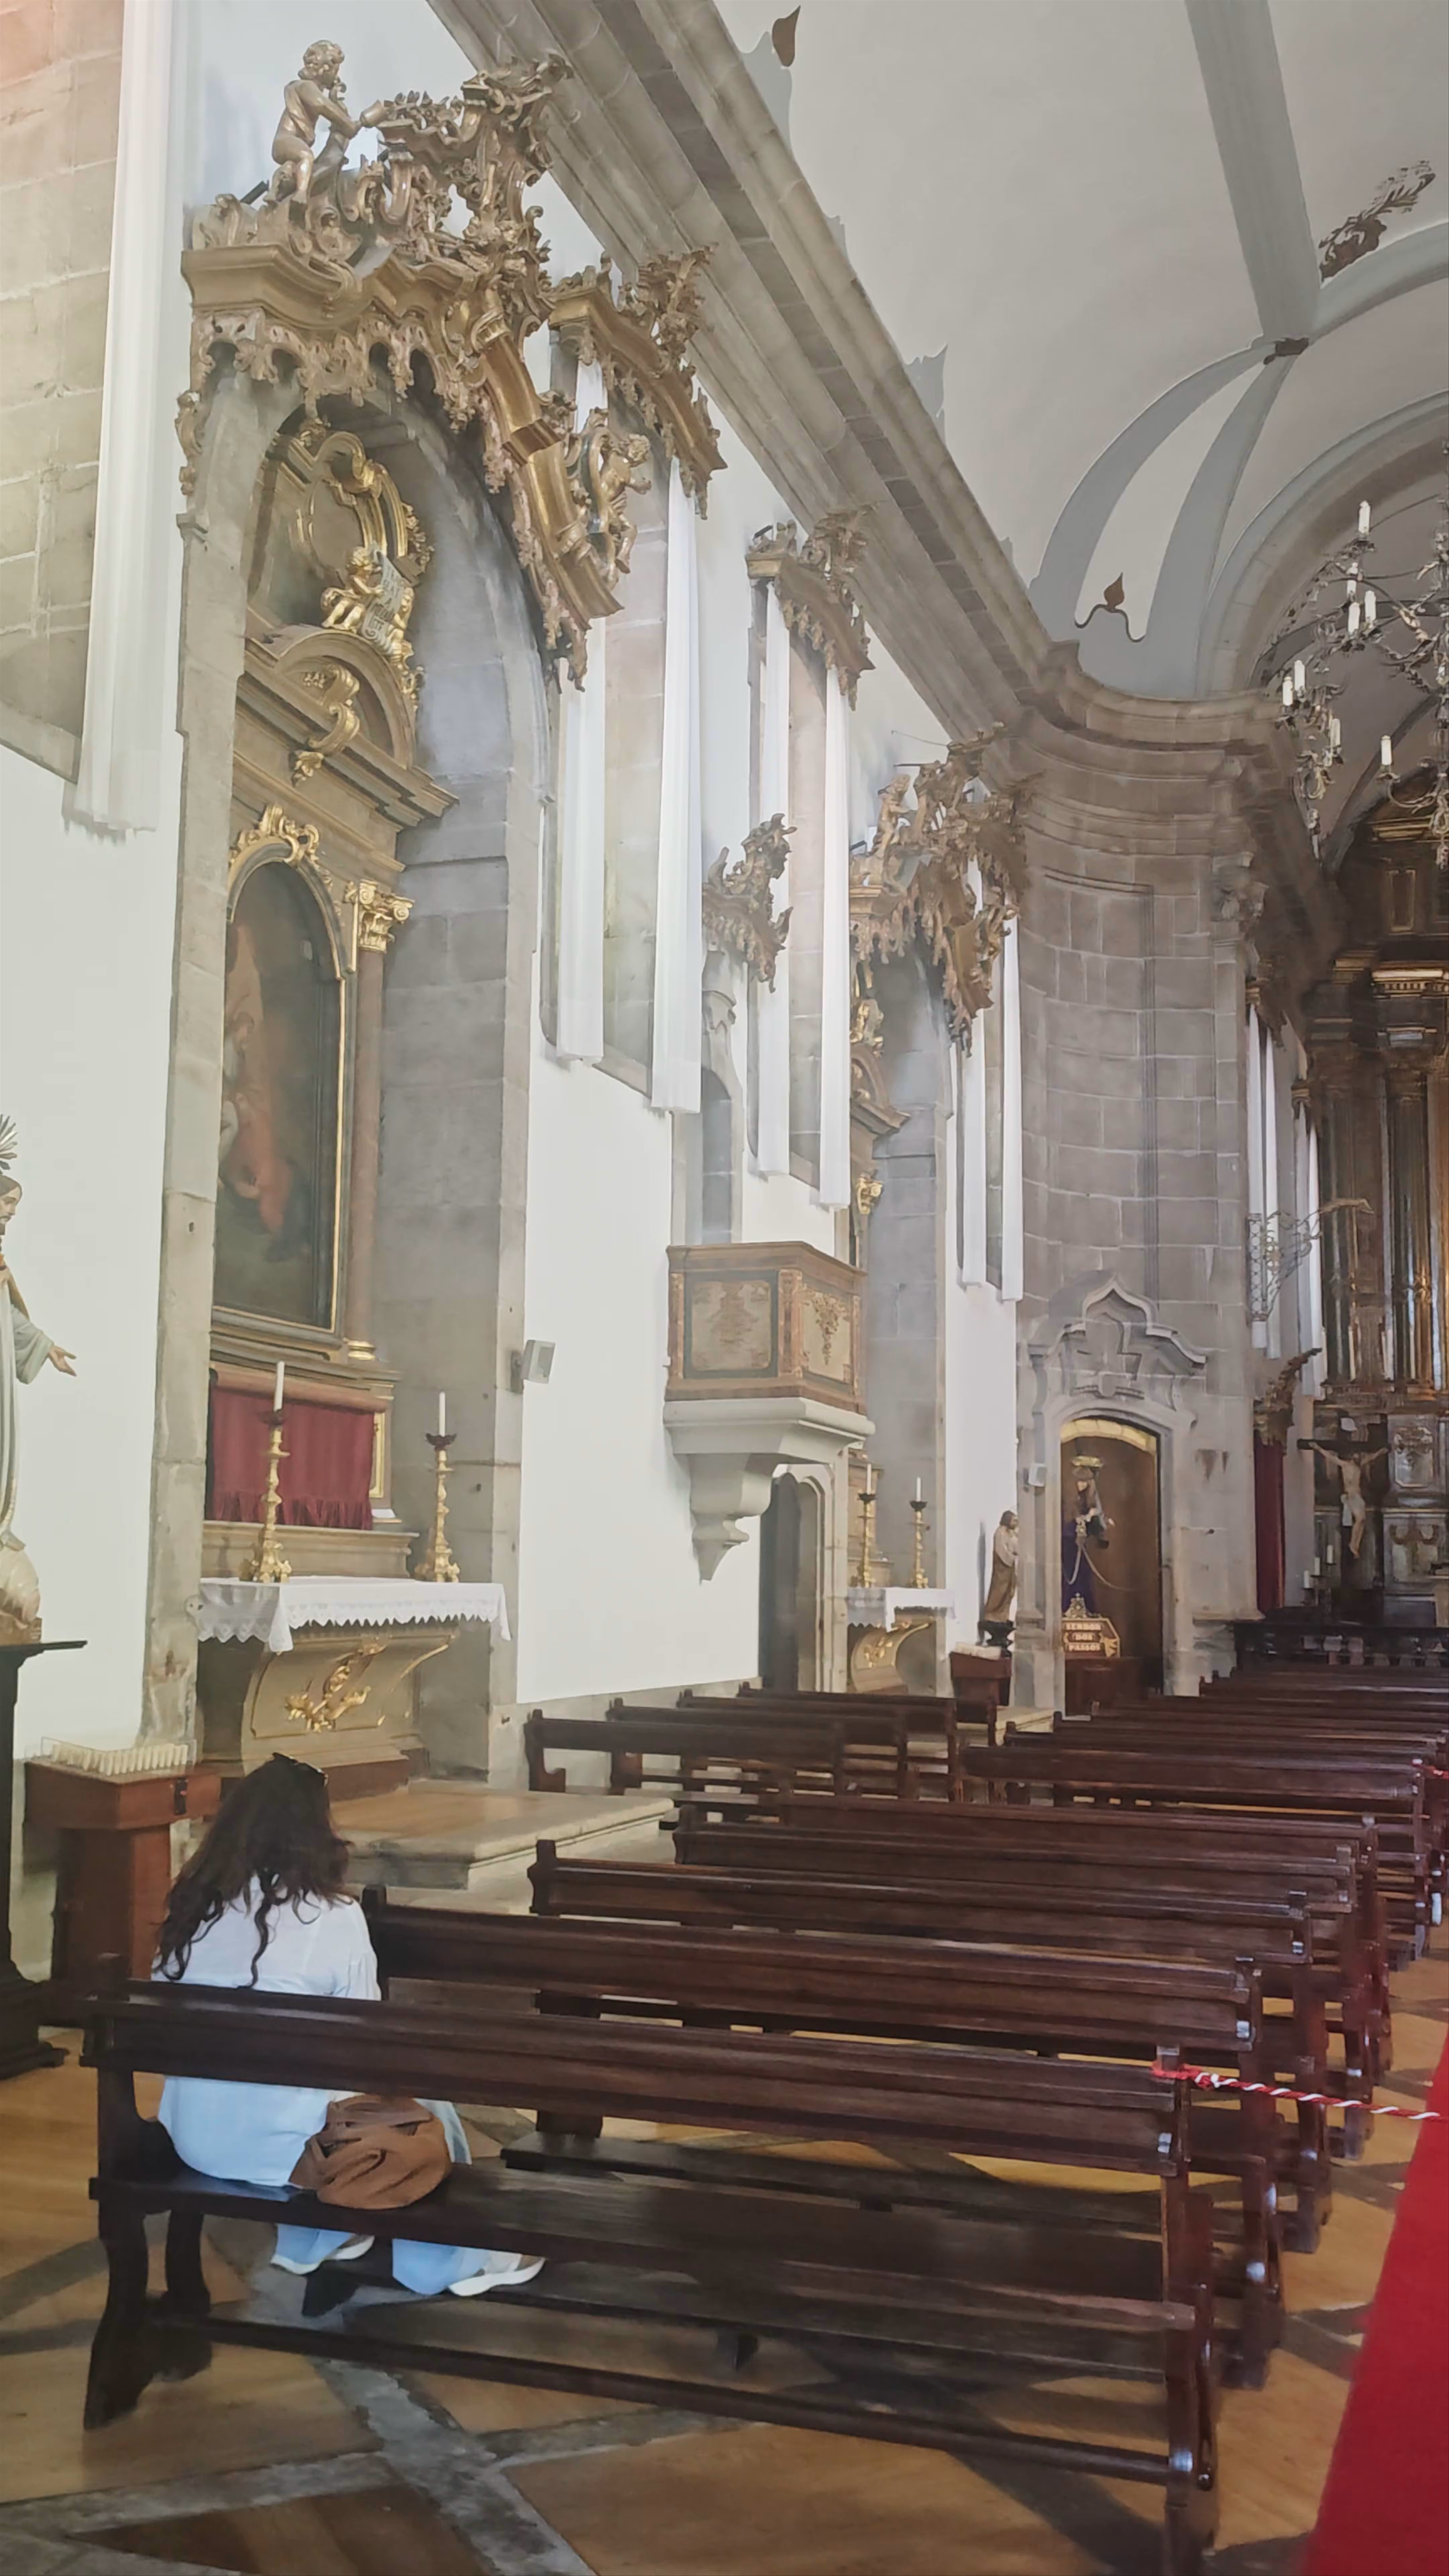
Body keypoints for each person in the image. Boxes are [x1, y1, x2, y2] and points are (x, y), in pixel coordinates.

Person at [153, 1754, 542, 2299]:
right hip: (291, 2150)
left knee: (331, 2095)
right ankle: (445, 2258)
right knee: (425, 2109)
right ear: (318, 1833)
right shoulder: (331, 1917)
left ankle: (317, 2237)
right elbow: (367, 2047)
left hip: (196, 2137)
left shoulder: (193, 1912)